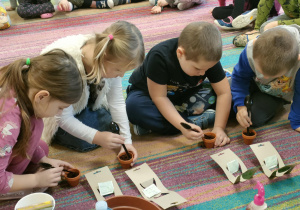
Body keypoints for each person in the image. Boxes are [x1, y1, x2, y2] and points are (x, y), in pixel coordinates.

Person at [41, 21, 145, 165]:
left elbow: (116, 102)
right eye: (119, 70)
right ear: (106, 56)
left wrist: (126, 142)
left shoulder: (108, 57)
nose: (121, 75)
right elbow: (62, 118)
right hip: (54, 113)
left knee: (114, 128)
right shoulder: (66, 67)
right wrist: (97, 137)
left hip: (83, 104)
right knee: (89, 140)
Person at [126, 22, 231, 147]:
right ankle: (196, 121)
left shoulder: (207, 57)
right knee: (134, 108)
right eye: (197, 68)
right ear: (180, 53)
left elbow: (224, 93)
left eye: (206, 69)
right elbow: (159, 97)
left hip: (185, 93)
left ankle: (157, 125)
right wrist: (182, 125)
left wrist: (219, 127)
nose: (202, 73)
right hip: (151, 95)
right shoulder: (159, 57)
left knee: (233, 90)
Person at [0, 50, 83, 200]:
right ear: (42, 96)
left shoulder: (23, 88)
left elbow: (29, 137)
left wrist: (44, 160)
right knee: (39, 187)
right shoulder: (8, 124)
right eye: (60, 107)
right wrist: (36, 180)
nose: (59, 112)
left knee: (42, 148)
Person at [231, 25, 300, 132]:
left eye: (274, 75)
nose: (265, 77)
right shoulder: (250, 50)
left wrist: (296, 121)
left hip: (276, 94)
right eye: (261, 71)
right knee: (223, 95)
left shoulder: (297, 64)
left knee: (253, 118)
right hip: (251, 81)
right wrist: (240, 106)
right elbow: (240, 78)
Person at [233, 0, 299, 47]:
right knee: (264, 27)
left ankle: (262, 39)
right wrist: (257, 29)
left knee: (288, 30)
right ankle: (262, 37)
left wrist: (278, 23)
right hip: (290, 17)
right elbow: (264, 3)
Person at [213, 0, 280, 30]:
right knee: (216, 12)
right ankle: (248, 16)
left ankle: (235, 17)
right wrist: (222, 6)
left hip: (267, 5)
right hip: (244, 7)